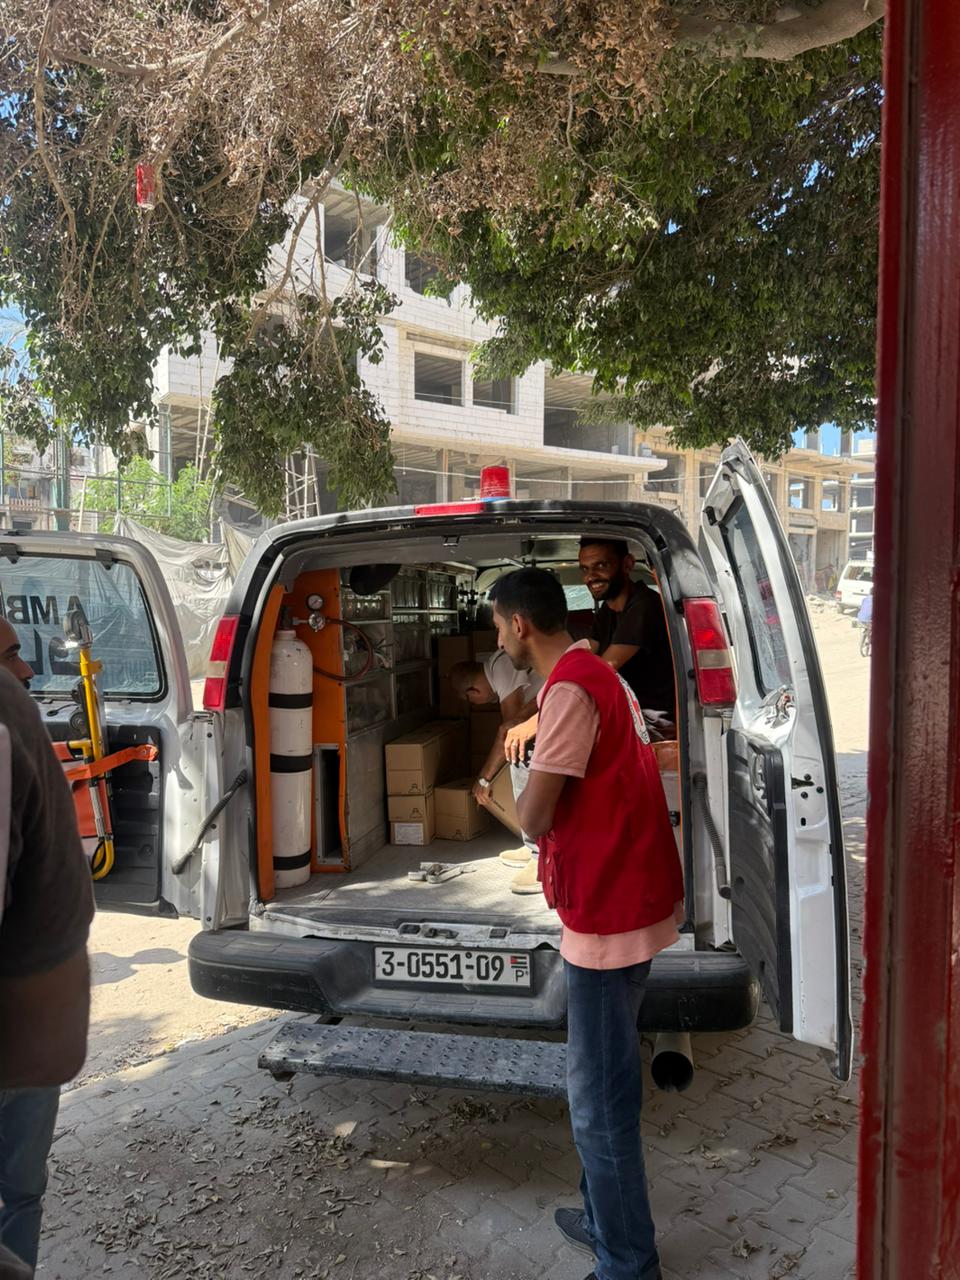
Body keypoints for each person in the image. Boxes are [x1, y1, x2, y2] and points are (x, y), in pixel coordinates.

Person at [490, 568, 682, 1280]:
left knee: (597, 1104)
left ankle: (628, 1262)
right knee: (607, 1083)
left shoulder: (571, 689)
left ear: (519, 625)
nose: (498, 640)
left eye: (498, 626)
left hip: (607, 916)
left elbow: (535, 815)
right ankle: (604, 1220)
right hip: (627, 899)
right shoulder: (595, 674)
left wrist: (511, 792)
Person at [0, 662, 94, 1275]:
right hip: (23, 1044)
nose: (27, 668)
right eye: (10, 653)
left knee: (23, 1190)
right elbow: (55, 1052)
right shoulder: (8, 715)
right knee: (22, 1188)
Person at [503, 539, 676, 766]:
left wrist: (536, 721)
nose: (590, 577)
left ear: (627, 564)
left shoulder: (644, 606)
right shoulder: (608, 611)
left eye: (601, 566)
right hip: (622, 715)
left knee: (541, 745)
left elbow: (599, 673)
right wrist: (529, 710)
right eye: (585, 569)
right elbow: (579, 663)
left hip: (650, 726)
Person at [448, 652, 543, 894]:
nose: (478, 704)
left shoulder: (502, 666)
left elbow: (510, 730)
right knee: (518, 755)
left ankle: (540, 856)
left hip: (557, 710)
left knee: (520, 755)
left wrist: (484, 778)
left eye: (471, 701)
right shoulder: (499, 664)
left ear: (473, 691)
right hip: (548, 709)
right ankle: (533, 843)